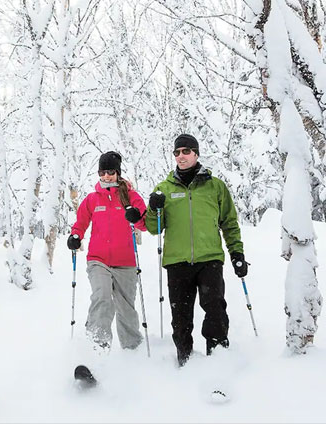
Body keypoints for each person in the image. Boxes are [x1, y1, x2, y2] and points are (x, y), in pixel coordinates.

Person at [145, 134, 249, 367]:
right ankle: (186, 361)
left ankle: (219, 358)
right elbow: (154, 228)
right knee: (181, 319)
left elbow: (229, 223)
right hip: (177, 261)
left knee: (215, 310)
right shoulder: (164, 189)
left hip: (209, 258)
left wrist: (237, 254)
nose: (181, 156)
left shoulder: (215, 186)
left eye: (186, 151)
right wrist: (153, 208)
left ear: (196, 154)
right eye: (177, 152)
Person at [67, 151, 147, 351]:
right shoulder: (93, 199)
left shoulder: (131, 197)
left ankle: (132, 350)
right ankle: (97, 347)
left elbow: (145, 224)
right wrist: (75, 236)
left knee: (126, 308)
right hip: (98, 259)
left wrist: (135, 216)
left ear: (118, 172)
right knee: (102, 297)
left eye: (110, 171)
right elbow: (81, 222)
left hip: (126, 261)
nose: (106, 176)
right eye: (102, 172)